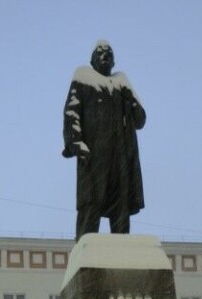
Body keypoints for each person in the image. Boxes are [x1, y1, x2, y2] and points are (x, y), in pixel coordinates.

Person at [62, 41, 146, 241]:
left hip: (120, 160)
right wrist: (76, 143)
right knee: (91, 207)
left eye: (109, 54)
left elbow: (140, 120)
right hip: (94, 157)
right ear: (92, 59)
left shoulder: (121, 84)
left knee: (120, 210)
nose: (105, 56)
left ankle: (122, 256)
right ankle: (84, 253)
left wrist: (129, 94)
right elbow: (71, 113)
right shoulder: (83, 78)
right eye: (100, 53)